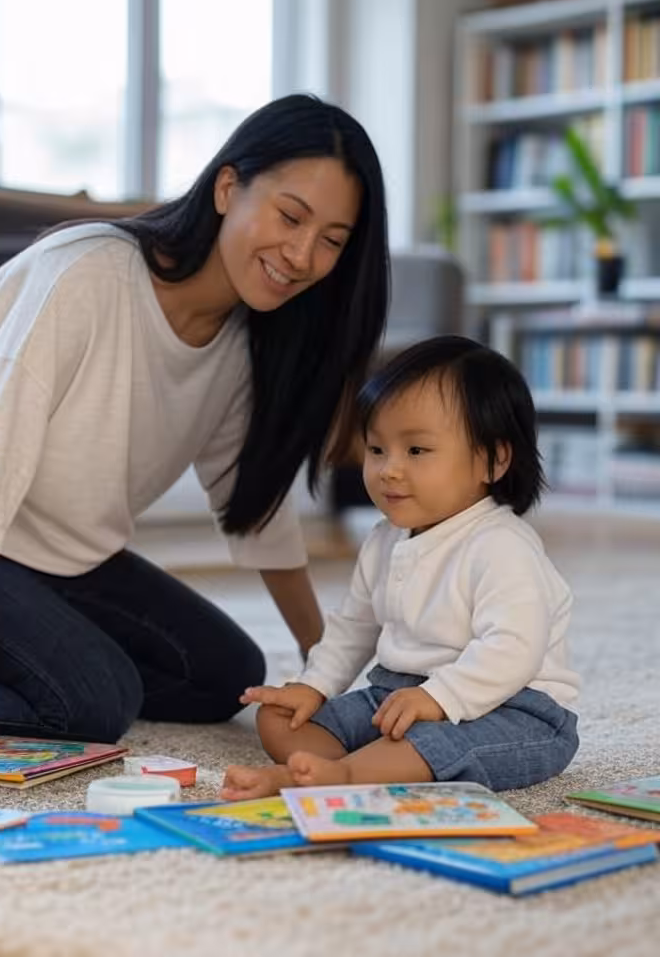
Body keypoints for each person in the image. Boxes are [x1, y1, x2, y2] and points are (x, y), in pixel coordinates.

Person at [0, 94, 390, 745]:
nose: (300, 254)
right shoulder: (86, 274)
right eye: (291, 217)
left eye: (331, 242)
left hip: (45, 554)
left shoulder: (242, 338)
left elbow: (254, 506)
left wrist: (326, 667)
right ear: (228, 187)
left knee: (225, 673)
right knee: (94, 702)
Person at [221, 336, 580, 800]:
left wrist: (440, 698)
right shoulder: (383, 539)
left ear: (493, 459)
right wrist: (314, 686)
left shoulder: (502, 545)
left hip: (513, 708)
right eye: (376, 450)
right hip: (397, 693)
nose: (389, 469)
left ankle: (340, 777)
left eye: (415, 451)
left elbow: (514, 648)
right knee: (278, 719)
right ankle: (341, 767)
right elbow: (353, 626)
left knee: (428, 746)